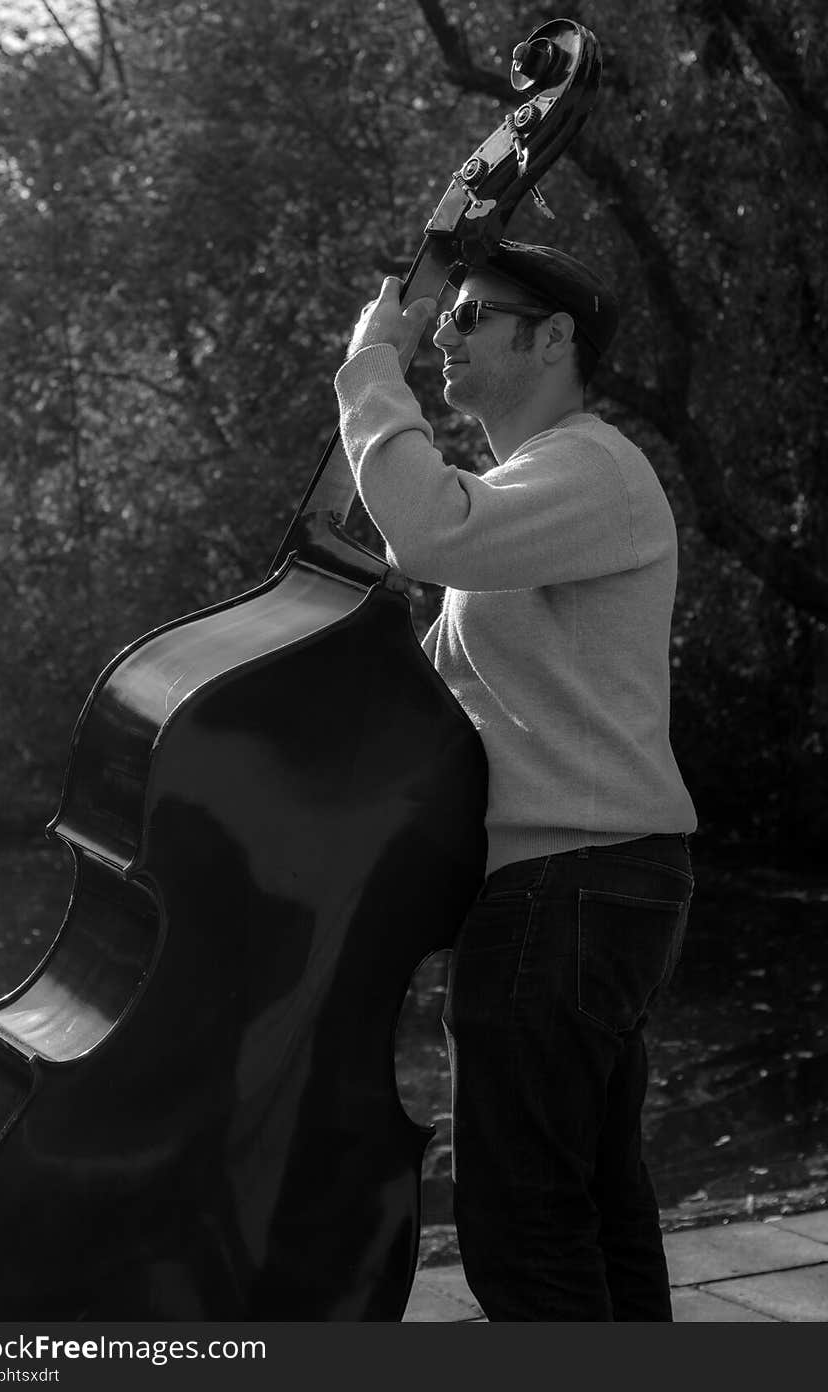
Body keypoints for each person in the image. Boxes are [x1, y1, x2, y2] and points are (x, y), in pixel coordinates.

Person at [334, 241, 697, 1322]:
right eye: (443, 319)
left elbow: (435, 530)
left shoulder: (592, 468)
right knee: (590, 1201)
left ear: (553, 341)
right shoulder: (539, 486)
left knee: (524, 1228)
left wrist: (370, 370)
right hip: (579, 886)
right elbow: (457, 690)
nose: (441, 332)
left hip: (568, 888)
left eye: (470, 315)